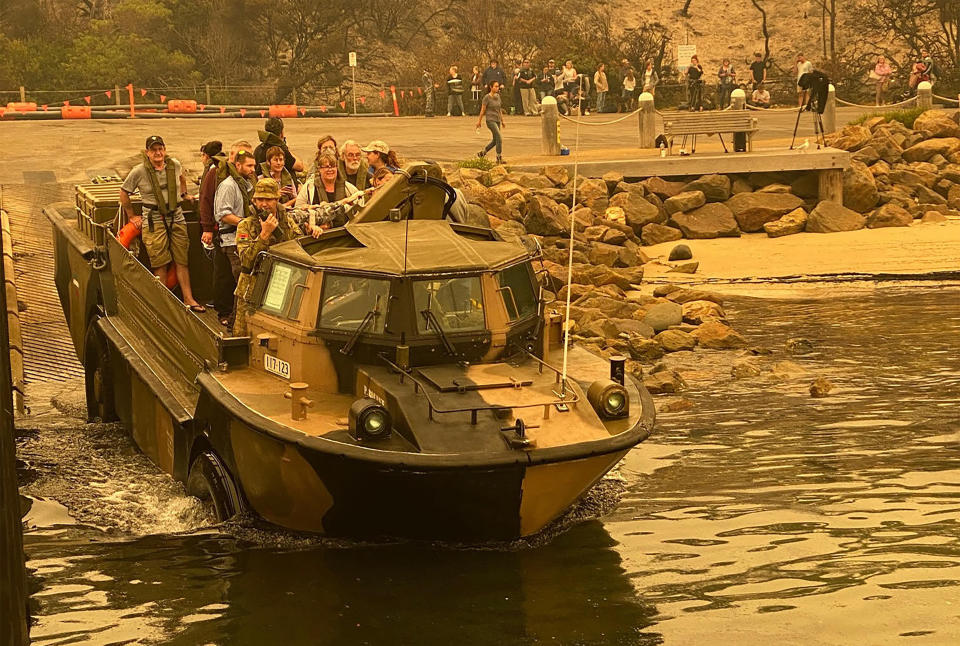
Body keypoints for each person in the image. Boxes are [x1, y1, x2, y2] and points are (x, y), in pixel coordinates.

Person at [119, 135, 204, 312]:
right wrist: (132, 216)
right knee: (160, 262)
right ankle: (163, 304)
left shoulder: (175, 165)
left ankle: (188, 298)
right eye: (154, 150)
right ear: (147, 152)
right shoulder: (139, 171)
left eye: (160, 149)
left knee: (182, 259)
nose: (158, 153)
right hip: (153, 220)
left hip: (176, 217)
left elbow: (181, 179)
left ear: (164, 150)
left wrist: (185, 194)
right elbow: (124, 193)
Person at [233, 178, 313, 336]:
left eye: (268, 199)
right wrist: (264, 235)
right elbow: (246, 260)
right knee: (243, 335)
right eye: (260, 199)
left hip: (281, 285)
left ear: (276, 200)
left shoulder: (287, 222)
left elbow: (298, 250)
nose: (264, 204)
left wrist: (310, 232)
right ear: (254, 201)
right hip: (252, 288)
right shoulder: (245, 225)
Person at [213, 147, 257, 327]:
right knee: (240, 280)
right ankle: (234, 321)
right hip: (232, 241)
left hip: (246, 239)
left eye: (254, 165)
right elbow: (223, 215)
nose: (253, 169)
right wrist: (245, 223)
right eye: (249, 166)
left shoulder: (246, 185)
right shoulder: (228, 186)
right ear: (237, 165)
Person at [295, 152, 361, 207]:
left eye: (333, 166)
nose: (330, 170)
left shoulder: (349, 188)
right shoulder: (309, 187)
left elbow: (359, 204)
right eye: (326, 167)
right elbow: (298, 208)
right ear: (320, 169)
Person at [198, 140, 223, 251]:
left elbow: (206, 198)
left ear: (206, 156)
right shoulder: (222, 168)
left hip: (214, 225)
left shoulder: (212, 170)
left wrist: (207, 228)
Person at [476, 81, 506, 165]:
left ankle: (482, 153)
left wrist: (502, 120)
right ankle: (499, 157)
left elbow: (499, 109)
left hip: (497, 120)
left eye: (498, 86)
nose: (497, 88)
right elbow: (483, 110)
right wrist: (479, 121)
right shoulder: (487, 98)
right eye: (496, 86)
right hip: (490, 120)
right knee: (499, 137)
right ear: (491, 87)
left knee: (495, 140)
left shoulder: (498, 97)